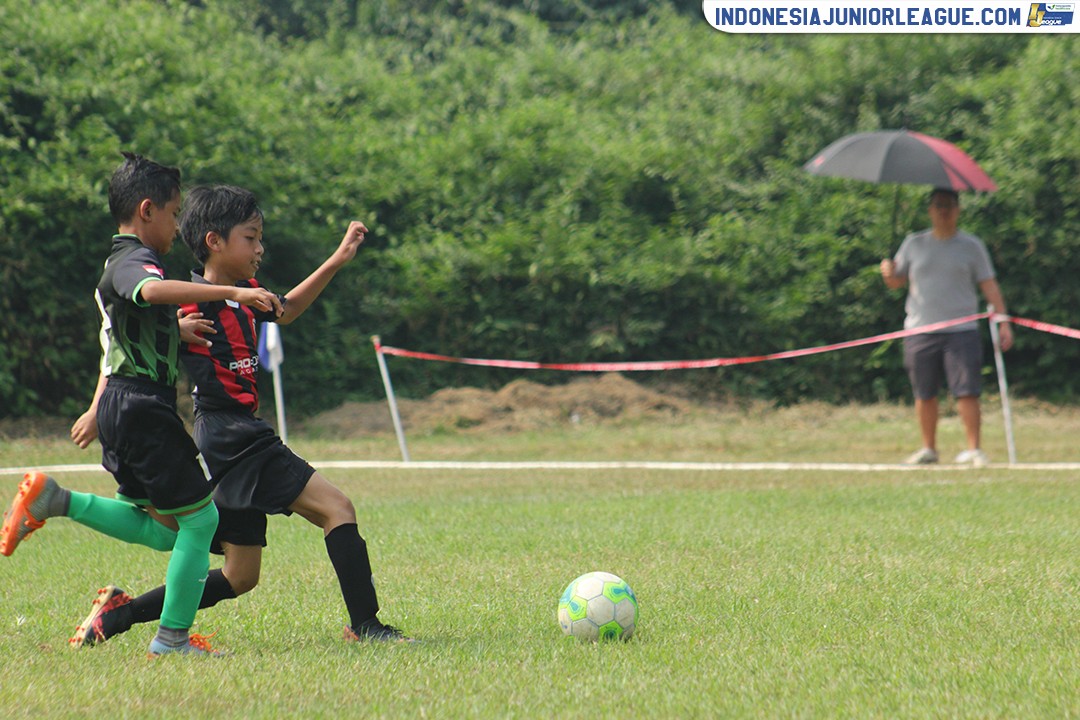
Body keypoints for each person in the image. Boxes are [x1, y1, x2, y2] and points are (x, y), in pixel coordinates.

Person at [70, 184, 411, 647]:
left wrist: (336, 260)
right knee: (338, 508)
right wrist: (101, 403)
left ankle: (117, 616)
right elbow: (129, 335)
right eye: (250, 238)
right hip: (233, 434)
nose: (260, 248)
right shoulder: (189, 298)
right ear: (215, 241)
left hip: (226, 437)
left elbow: (285, 310)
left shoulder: (247, 292)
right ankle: (367, 625)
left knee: (240, 574)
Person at [1, 153, 283, 658]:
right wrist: (229, 290)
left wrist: (172, 333)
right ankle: (171, 639)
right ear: (148, 210)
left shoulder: (121, 261)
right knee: (201, 524)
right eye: (175, 214)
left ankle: (54, 499)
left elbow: (123, 336)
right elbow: (150, 291)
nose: (179, 226)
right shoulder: (135, 261)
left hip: (121, 406)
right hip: (141, 408)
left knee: (166, 529)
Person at [880, 187, 1013, 467]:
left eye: (949, 206)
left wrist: (1003, 320)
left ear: (958, 210)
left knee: (967, 391)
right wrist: (888, 273)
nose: (944, 211)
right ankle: (928, 448)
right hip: (919, 329)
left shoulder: (971, 246)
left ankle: (974, 449)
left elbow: (988, 284)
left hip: (961, 330)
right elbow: (896, 283)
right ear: (930, 210)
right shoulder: (913, 243)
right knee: (924, 392)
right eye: (939, 205)